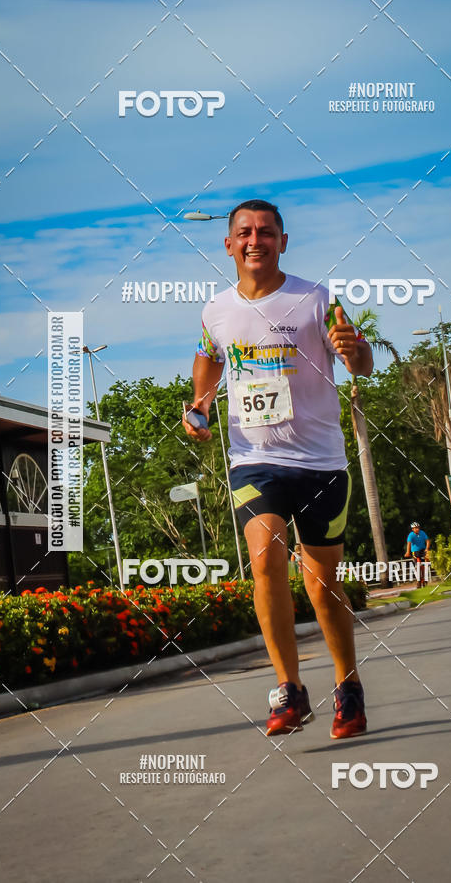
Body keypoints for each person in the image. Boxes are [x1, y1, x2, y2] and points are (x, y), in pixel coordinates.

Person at [183, 199, 373, 739]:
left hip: (320, 462)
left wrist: (354, 350)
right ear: (228, 245)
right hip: (252, 459)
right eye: (244, 232)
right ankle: (289, 689)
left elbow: (361, 361)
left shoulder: (315, 298)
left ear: (283, 241)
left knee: (321, 585)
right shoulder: (216, 311)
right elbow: (207, 357)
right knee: (264, 556)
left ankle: (348, 686)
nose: (254, 240)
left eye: (266, 232)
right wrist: (199, 404)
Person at [404, 522, 431, 587]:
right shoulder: (411, 535)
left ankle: (425, 578)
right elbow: (409, 543)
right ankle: (418, 581)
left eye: (418, 527)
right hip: (415, 551)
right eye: (415, 528)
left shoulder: (422, 533)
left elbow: (427, 541)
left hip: (423, 550)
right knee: (418, 564)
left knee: (426, 563)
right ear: (412, 529)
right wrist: (407, 552)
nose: (417, 529)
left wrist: (427, 548)